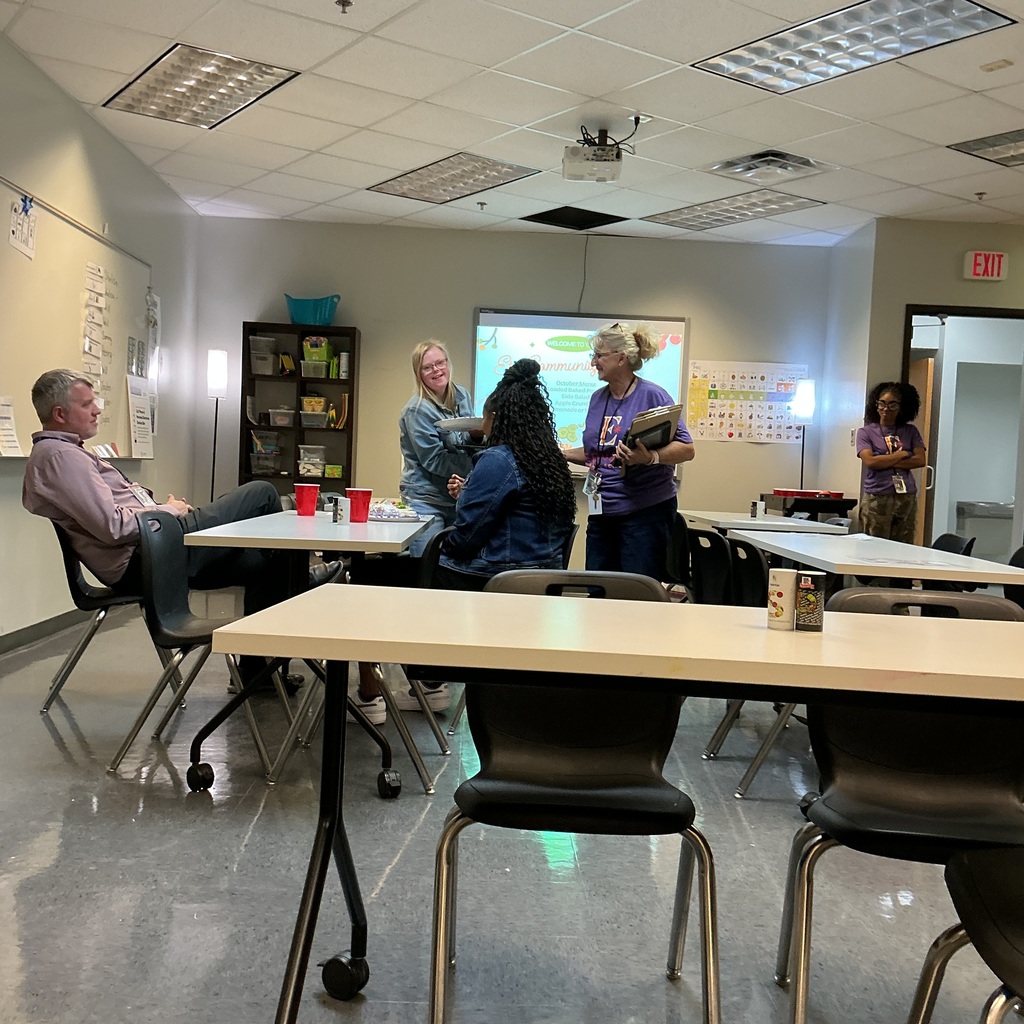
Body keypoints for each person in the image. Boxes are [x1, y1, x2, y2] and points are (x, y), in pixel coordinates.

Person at [22, 369, 342, 684]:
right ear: (60, 413)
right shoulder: (60, 457)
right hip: (151, 554)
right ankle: (299, 580)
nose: (97, 409)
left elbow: (113, 515)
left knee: (266, 564)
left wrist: (155, 508)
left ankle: (254, 673)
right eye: (86, 404)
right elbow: (113, 527)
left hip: (157, 547)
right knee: (262, 493)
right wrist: (167, 511)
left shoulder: (66, 453)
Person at [563, 322, 695, 579]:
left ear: (621, 358)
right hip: (602, 510)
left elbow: (687, 449)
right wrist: (563, 454)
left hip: (644, 512)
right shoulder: (597, 398)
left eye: (599, 356)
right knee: (598, 586)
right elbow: (598, 453)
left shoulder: (653, 396)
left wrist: (651, 458)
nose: (593, 362)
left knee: (636, 590)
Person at [439, 358, 576, 590]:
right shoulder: (550, 458)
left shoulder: (498, 459)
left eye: (484, 418)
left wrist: (444, 546)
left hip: (502, 576)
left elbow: (470, 533)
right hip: (547, 573)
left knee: (421, 566)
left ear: (494, 416)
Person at [398, 340, 475, 557]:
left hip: (456, 497)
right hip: (425, 500)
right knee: (426, 565)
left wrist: (478, 437)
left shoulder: (462, 395)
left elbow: (467, 440)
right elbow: (434, 460)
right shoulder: (416, 410)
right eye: (427, 367)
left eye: (440, 363)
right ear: (419, 373)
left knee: (453, 565)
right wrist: (477, 470)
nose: (436, 370)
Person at [856, 381, 926, 542]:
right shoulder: (865, 432)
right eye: (882, 403)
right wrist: (900, 455)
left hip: (906, 496)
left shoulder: (910, 431)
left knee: (904, 544)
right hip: (877, 495)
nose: (885, 409)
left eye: (892, 405)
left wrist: (884, 460)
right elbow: (870, 461)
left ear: (902, 407)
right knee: (874, 544)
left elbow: (920, 460)